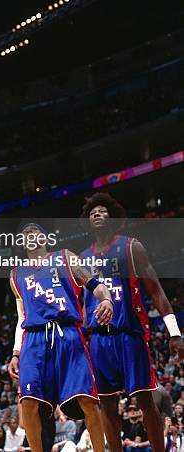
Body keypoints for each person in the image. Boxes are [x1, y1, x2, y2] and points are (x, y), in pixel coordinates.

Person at [79, 193, 184, 452]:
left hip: (129, 334)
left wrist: (174, 333)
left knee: (145, 401)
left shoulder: (130, 247)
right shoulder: (81, 259)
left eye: (103, 211)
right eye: (93, 212)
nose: (97, 214)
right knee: (106, 404)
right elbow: (80, 306)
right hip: (99, 339)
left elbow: (157, 291)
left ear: (112, 217)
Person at [7, 223, 113, 452]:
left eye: (35, 232)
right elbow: (21, 317)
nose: (30, 236)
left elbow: (95, 284)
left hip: (68, 334)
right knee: (28, 401)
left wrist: (106, 299)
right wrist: (16, 352)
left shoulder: (66, 258)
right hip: (34, 339)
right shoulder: (16, 275)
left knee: (87, 399)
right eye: (25, 235)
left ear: (45, 238)